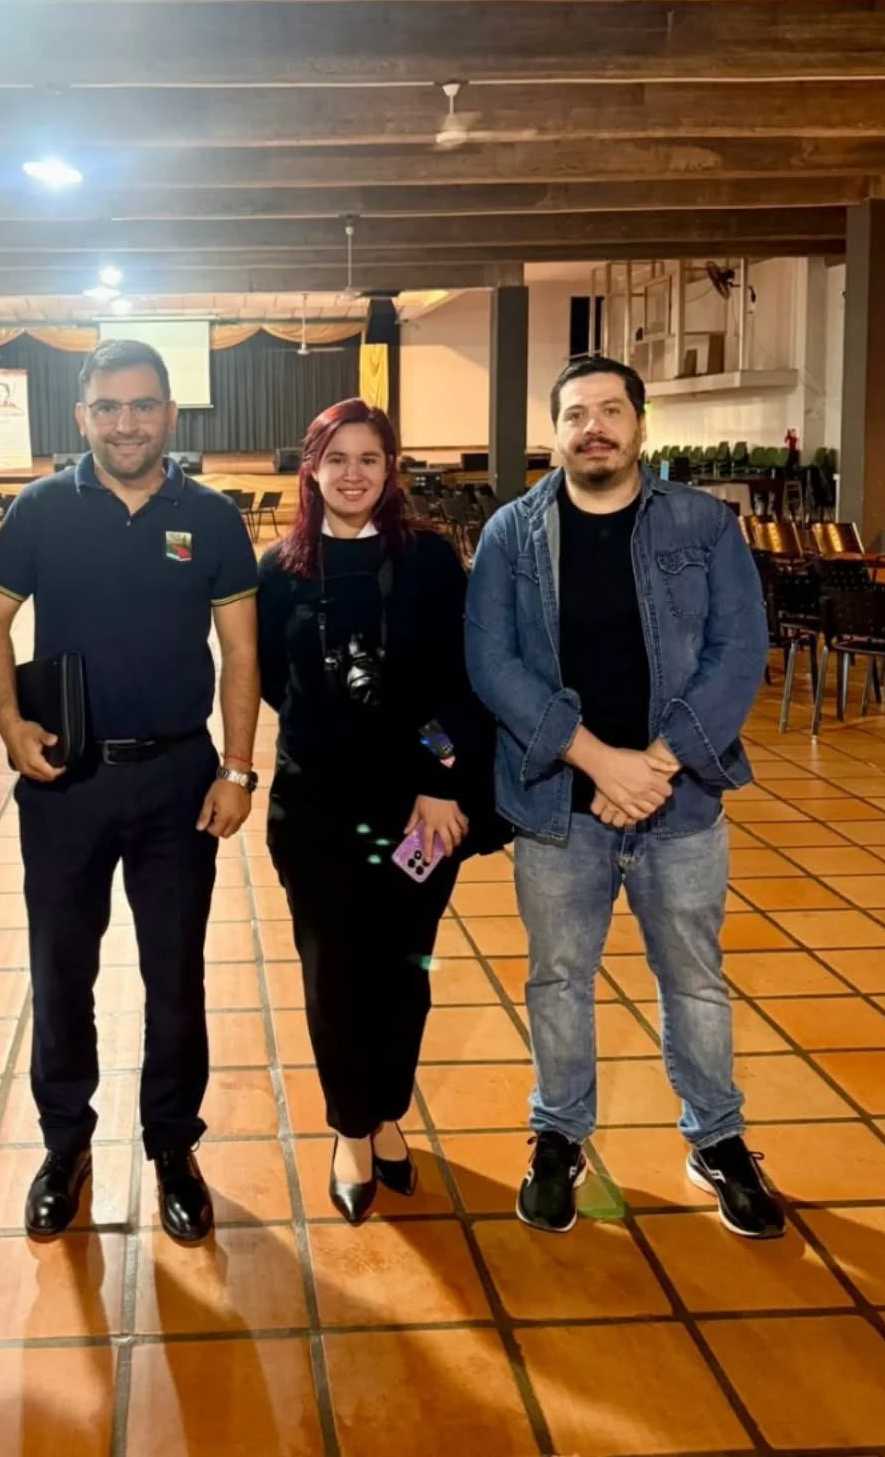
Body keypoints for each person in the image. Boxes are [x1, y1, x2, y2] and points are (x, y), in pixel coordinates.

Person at [466, 356, 783, 1239]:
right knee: (558, 978)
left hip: (679, 806)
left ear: (641, 424)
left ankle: (717, 1140)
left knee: (694, 980)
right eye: (576, 414)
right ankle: (559, 1136)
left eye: (610, 410)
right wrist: (600, 762)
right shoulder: (511, 533)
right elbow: (491, 662)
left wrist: (657, 763)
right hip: (557, 807)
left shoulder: (703, 525)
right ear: (556, 432)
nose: (594, 428)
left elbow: (737, 650)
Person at [0, 339, 260, 1244]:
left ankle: (173, 1144)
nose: (125, 423)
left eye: (141, 406)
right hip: (67, 780)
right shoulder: (40, 508)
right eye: (107, 407)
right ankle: (65, 1145)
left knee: (175, 974)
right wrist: (11, 725)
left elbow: (241, 652)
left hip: (179, 779)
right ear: (82, 416)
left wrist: (237, 768)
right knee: (62, 970)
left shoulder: (211, 515)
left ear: (170, 413)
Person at [258, 400, 506, 1225]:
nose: (353, 474)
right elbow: (276, 683)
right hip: (316, 809)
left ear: (391, 468)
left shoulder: (428, 561)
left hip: (417, 811)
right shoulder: (280, 569)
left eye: (369, 458)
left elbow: (458, 683)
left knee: (405, 970)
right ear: (311, 469)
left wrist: (436, 774)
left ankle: (390, 1109)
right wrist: (334, 733)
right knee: (333, 974)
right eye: (336, 458)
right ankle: (350, 1126)